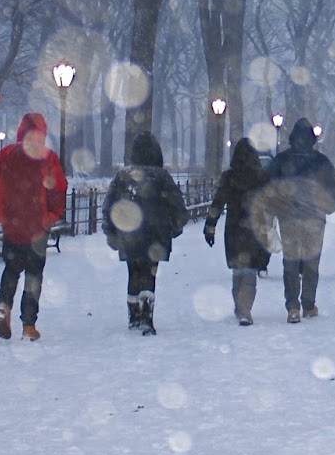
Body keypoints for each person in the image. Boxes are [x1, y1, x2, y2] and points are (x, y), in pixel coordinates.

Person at [0, 112, 68, 341]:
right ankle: (28, 325)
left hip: (12, 224)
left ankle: (3, 305)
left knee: (11, 269)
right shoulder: (47, 158)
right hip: (37, 227)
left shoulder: (6, 155)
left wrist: (0, 214)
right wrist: (51, 215)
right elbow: (58, 189)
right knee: (33, 275)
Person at [101, 131, 189, 336]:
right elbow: (177, 205)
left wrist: (111, 231)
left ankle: (134, 315)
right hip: (155, 235)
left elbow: (109, 205)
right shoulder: (162, 177)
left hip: (129, 234)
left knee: (133, 272)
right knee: (150, 273)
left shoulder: (123, 176)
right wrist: (175, 226)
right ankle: (147, 317)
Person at [264, 117, 335, 323]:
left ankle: (292, 306)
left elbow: (268, 187)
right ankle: (308, 304)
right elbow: (334, 187)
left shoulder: (281, 160)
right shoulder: (321, 161)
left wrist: (273, 210)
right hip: (314, 218)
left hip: (288, 217)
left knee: (290, 262)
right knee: (311, 263)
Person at [203, 137, 276, 325]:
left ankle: (239, 305)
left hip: (234, 227)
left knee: (238, 269)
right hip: (255, 227)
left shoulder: (229, 177)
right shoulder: (261, 177)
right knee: (250, 269)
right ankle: (245, 309)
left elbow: (218, 202)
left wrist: (210, 226)